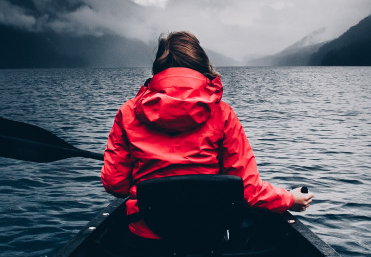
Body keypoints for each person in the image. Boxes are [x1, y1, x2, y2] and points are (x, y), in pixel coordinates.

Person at [101, 31, 313, 239]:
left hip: (148, 232)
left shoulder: (128, 113)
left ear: (158, 70)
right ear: (203, 66)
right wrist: (289, 199)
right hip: (208, 232)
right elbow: (248, 191)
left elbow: (115, 184)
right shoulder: (223, 113)